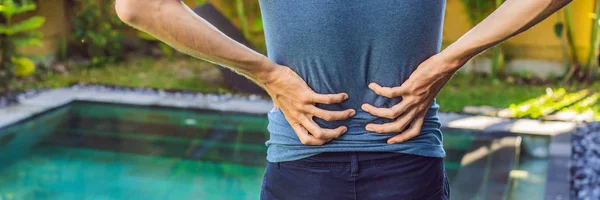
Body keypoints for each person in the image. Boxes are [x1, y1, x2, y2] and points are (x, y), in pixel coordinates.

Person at [115, 0, 573, 199]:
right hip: (405, 164)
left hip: (304, 167)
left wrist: (266, 74)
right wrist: (448, 61)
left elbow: (140, 7)